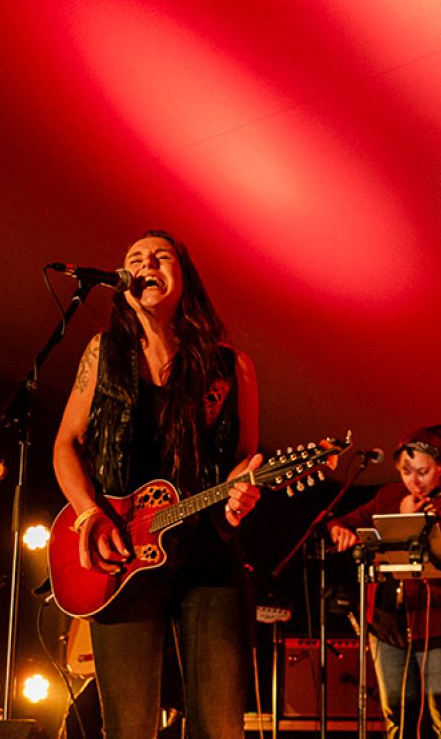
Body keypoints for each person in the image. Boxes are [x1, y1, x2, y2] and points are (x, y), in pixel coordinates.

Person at [52, 230, 263, 739]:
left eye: (160, 257)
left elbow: (243, 461)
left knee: (219, 726)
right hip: (122, 558)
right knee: (129, 727)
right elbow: (65, 446)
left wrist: (240, 497)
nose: (146, 264)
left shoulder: (230, 366)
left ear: (183, 277)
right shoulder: (103, 352)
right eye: (134, 259)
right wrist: (89, 513)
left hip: (208, 558)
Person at [329, 425, 441, 739]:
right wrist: (339, 529)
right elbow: (345, 521)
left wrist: (415, 519)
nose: (414, 480)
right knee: (396, 718)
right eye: (406, 471)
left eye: (422, 471)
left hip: (439, 626)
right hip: (385, 625)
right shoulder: (388, 495)